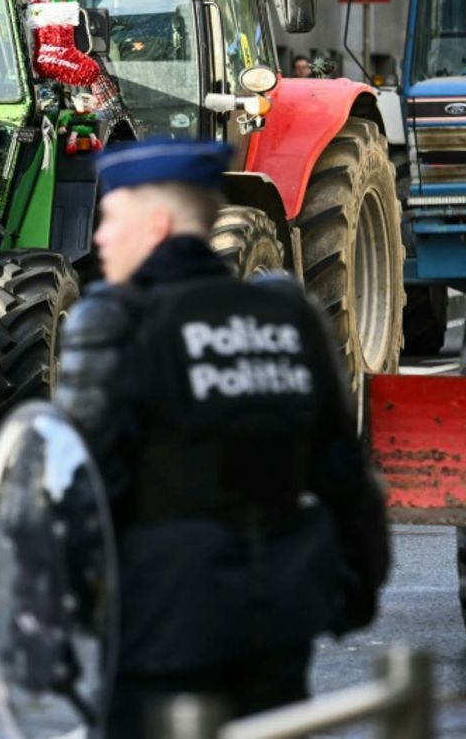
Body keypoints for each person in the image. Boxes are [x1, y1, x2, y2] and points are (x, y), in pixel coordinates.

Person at [52, 140, 390, 736]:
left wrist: (67, 616)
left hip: (161, 634)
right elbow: (346, 474)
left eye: (111, 219)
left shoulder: (117, 321)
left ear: (156, 223)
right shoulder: (287, 319)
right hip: (281, 628)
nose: (100, 239)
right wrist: (352, 591)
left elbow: (86, 496)